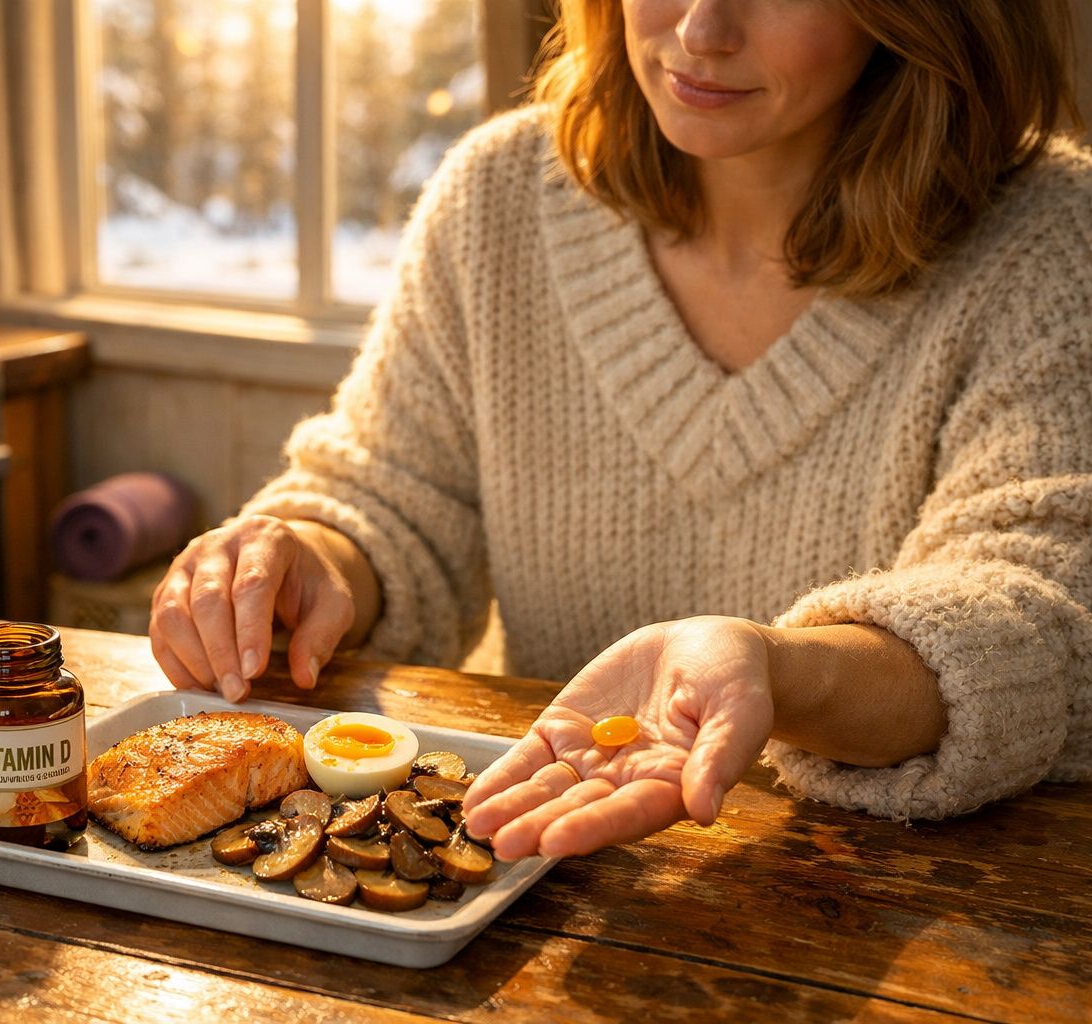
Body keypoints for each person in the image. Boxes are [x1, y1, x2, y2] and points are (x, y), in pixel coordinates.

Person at [148, 0, 1091, 862]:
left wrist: (779, 675)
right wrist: (306, 555)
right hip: (527, 871)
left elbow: (1048, 618)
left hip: (908, 905)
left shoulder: (1049, 236)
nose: (701, 31)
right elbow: (392, 495)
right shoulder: (498, 197)